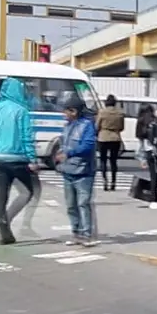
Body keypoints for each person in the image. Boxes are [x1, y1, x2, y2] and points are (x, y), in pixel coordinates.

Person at [0, 77, 41, 245]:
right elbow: (26, 137)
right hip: (17, 158)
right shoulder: (21, 111)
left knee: (2, 193)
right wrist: (32, 159)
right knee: (27, 191)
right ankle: (5, 220)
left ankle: (2, 226)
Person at [56, 96, 99, 246]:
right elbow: (63, 144)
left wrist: (69, 153)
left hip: (83, 171)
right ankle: (76, 233)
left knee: (83, 203)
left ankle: (86, 234)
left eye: (66, 111)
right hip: (68, 171)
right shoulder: (67, 126)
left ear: (73, 111)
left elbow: (88, 146)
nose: (64, 114)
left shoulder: (87, 126)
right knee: (71, 205)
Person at [95, 94, 124, 191]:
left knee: (103, 160)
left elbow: (97, 126)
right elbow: (122, 127)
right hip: (115, 137)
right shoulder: (120, 113)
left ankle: (105, 181)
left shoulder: (102, 112)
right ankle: (113, 182)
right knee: (113, 161)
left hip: (103, 137)